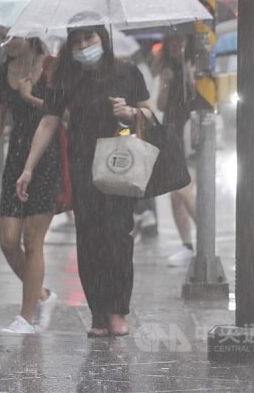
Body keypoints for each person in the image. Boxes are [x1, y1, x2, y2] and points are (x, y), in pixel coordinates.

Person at [16, 19, 154, 337]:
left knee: (118, 236)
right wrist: (28, 167)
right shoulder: (65, 78)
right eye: (76, 40)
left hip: (120, 165)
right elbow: (48, 123)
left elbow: (150, 113)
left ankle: (118, 309)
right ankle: (98, 312)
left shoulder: (127, 72)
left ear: (102, 38)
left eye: (89, 38)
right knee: (89, 238)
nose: (83, 46)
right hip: (82, 167)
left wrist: (131, 113)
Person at [0, 33, 60, 334]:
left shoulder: (51, 67)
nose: (7, 42)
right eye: (5, 35)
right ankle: (43, 296)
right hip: (16, 156)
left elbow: (59, 112)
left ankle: (26, 317)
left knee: (33, 241)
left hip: (46, 157)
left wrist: (29, 96)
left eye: (14, 35)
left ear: (32, 36)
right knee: (7, 241)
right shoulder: (2, 72)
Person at [155, 34, 198, 266]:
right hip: (172, 133)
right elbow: (161, 104)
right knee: (175, 194)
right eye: (172, 42)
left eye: (180, 41)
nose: (176, 45)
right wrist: (165, 82)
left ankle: (205, 237)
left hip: (192, 135)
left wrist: (190, 76)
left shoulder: (196, 64)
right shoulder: (167, 70)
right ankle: (187, 246)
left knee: (183, 190)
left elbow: (198, 98)